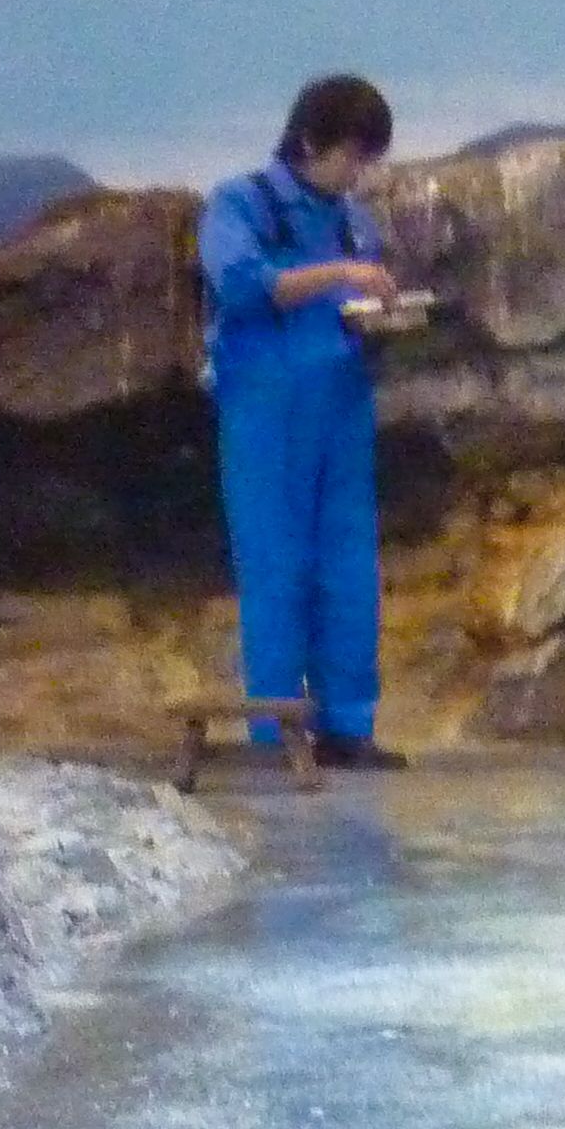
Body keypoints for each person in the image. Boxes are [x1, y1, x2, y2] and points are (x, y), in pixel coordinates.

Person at [199, 74, 406, 767]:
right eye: (352, 155)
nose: (357, 173)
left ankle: (348, 725)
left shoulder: (351, 219)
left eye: (368, 160)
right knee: (275, 565)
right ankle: (277, 733)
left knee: (348, 567)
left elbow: (352, 299)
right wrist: (339, 274)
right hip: (266, 406)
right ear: (310, 141)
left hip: (341, 403)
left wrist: (383, 314)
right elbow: (240, 284)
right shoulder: (241, 202)